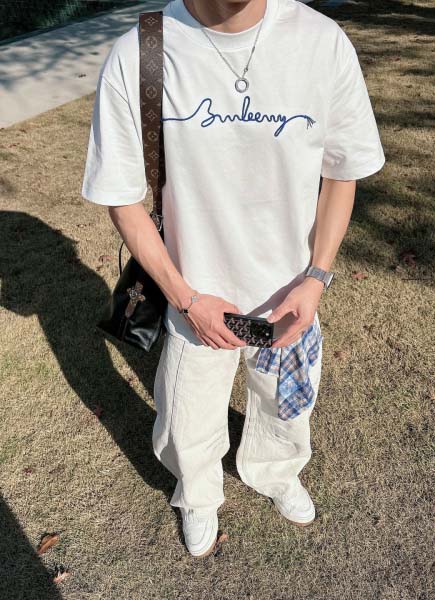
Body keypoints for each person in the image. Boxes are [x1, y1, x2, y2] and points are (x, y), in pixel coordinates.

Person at [81, 0, 385, 558]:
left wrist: (316, 277)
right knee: (187, 415)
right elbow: (121, 198)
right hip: (195, 297)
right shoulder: (142, 52)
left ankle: (275, 471)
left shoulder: (320, 41)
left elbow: (342, 173)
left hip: (289, 295)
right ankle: (197, 493)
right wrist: (185, 298)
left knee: (285, 406)